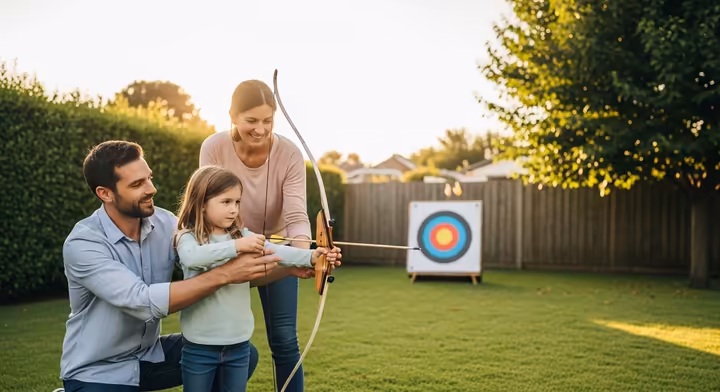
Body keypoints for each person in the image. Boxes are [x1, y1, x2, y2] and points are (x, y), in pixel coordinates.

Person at [59, 140, 282, 392]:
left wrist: (303, 264)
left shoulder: (166, 223)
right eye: (137, 184)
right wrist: (226, 274)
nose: (151, 188)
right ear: (105, 193)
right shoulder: (84, 243)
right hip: (98, 371)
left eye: (149, 178)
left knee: (241, 353)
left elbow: (216, 261)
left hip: (150, 355)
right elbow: (142, 302)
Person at [174, 165, 341, 392]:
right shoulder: (188, 237)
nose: (234, 209)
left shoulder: (242, 235)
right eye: (226, 202)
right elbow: (192, 258)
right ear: (202, 203)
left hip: (238, 345)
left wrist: (313, 256)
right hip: (199, 347)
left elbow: (276, 251)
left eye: (237, 202)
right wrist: (236, 247)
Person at [199, 79, 314, 390]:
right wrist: (237, 245)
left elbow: (296, 217)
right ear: (233, 116)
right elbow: (206, 209)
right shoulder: (214, 147)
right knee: (219, 340)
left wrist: (306, 255)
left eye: (268, 120)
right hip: (228, 248)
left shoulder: (289, 153)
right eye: (251, 120)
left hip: (277, 250)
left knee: (284, 341)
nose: (260, 129)